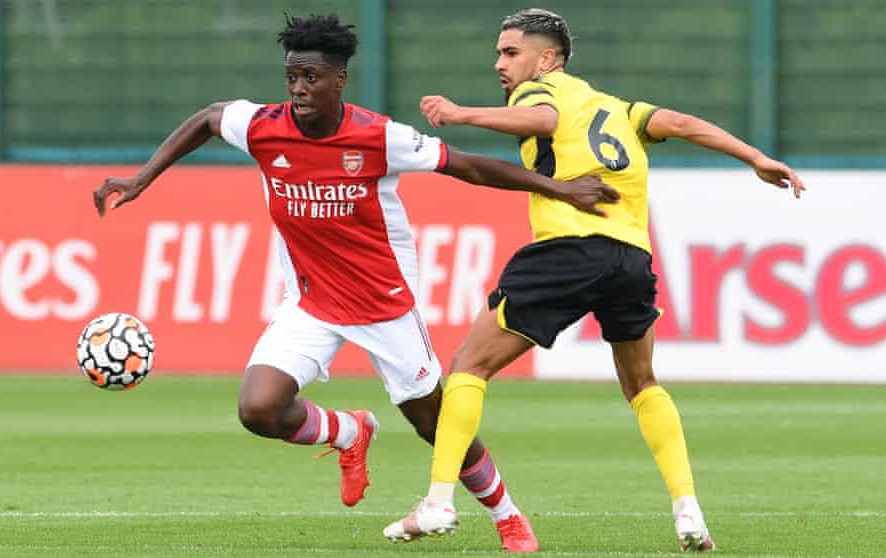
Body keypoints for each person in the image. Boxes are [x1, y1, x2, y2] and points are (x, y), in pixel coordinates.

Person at [92, 13, 619, 553]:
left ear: (338, 81)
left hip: (383, 303)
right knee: (258, 409)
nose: (299, 88)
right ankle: (348, 432)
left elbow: (468, 166)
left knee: (434, 425)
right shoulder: (261, 126)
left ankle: (508, 517)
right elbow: (207, 118)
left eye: (311, 78)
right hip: (311, 302)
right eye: (292, 76)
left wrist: (558, 189)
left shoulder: (378, 137)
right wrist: (141, 178)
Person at [384, 8, 806, 553]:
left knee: (469, 365)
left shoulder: (541, 93)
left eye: (510, 53)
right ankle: (689, 512)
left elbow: (543, 123)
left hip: (569, 248)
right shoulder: (616, 107)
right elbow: (679, 123)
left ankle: (439, 500)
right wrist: (755, 156)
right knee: (643, 383)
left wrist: (461, 114)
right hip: (631, 259)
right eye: (499, 53)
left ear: (547, 59)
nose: (500, 64)